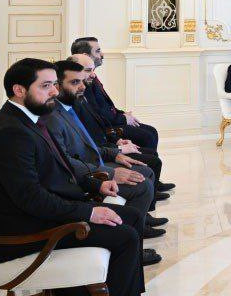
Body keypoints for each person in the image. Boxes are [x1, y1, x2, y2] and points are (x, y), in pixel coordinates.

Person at [0, 58, 167, 296]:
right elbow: (31, 199)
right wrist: (89, 212)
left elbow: (59, 166)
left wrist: (96, 185)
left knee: (133, 217)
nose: (55, 91)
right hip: (25, 229)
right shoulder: (10, 133)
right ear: (19, 90)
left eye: (55, 84)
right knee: (124, 235)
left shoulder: (29, 119)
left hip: (42, 214)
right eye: (45, 86)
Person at [45, 59, 168, 244]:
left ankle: (139, 226)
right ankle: (135, 236)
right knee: (142, 183)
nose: (82, 86)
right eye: (75, 82)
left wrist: (114, 153)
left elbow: (88, 144)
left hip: (96, 161)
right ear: (57, 86)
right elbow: (65, 161)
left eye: (82, 81)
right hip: (87, 173)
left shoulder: (67, 108)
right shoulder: (53, 116)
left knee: (146, 170)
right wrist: (109, 172)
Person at [70, 53, 170, 202]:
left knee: (150, 145)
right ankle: (149, 199)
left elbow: (101, 119)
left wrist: (117, 140)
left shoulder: (81, 94)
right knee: (150, 161)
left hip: (106, 143)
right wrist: (117, 149)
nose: (92, 75)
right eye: (87, 71)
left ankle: (151, 196)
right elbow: (85, 145)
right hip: (98, 156)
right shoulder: (71, 103)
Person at [71, 37, 160, 152]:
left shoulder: (91, 77)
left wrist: (122, 114)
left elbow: (106, 106)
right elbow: (97, 113)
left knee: (151, 131)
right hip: (108, 128)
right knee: (147, 136)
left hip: (112, 123)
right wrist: (123, 119)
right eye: (98, 51)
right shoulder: (83, 82)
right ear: (86, 55)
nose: (102, 54)